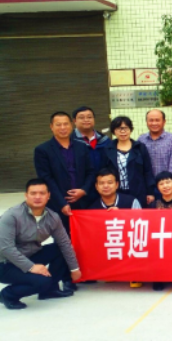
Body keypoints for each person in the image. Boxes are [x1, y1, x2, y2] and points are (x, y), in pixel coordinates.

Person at [0, 179, 81, 310]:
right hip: (5, 264)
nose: (37, 197)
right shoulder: (12, 216)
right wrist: (31, 267)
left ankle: (49, 291)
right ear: (26, 195)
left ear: (48, 195)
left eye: (42, 193)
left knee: (59, 249)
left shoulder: (53, 217)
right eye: (33, 193)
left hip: (30, 255)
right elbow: (6, 248)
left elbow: (64, 243)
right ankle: (8, 295)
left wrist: (74, 269)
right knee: (42, 281)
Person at [34, 111, 96, 236]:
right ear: (51, 127)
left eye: (66, 124)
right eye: (58, 124)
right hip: (59, 204)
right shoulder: (42, 150)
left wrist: (84, 190)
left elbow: (91, 171)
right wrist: (61, 203)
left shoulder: (82, 147)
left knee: (85, 237)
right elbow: (46, 179)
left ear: (71, 125)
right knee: (63, 240)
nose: (63, 128)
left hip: (83, 202)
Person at [87, 169, 142, 288]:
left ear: (117, 184)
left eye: (110, 182)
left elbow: (141, 226)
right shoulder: (92, 209)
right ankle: (111, 270)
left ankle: (135, 273)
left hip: (129, 242)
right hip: (109, 245)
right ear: (96, 187)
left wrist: (122, 215)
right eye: (101, 183)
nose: (106, 186)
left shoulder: (131, 201)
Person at [102, 116, 154, 208]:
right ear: (114, 131)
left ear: (130, 130)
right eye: (119, 129)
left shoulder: (140, 148)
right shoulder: (108, 149)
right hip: (116, 193)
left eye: (125, 128)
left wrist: (150, 192)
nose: (123, 131)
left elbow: (148, 171)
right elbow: (104, 172)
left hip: (138, 191)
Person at [138, 109, 172, 180]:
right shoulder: (141, 140)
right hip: (147, 184)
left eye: (157, 120)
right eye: (151, 120)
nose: (154, 123)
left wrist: (169, 183)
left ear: (164, 122)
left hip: (166, 184)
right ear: (146, 122)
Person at [71, 106, 110, 177]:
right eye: (81, 118)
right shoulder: (70, 141)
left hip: (103, 181)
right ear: (74, 121)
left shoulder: (105, 140)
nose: (86, 120)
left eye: (89, 117)